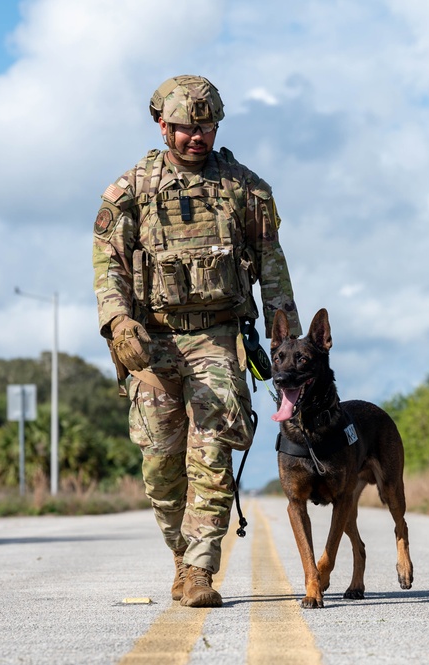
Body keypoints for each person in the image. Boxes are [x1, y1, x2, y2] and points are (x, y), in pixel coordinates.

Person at [92, 75, 301, 608]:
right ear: (163, 125)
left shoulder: (245, 189)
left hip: (216, 336)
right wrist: (117, 325)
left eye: (205, 127)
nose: (195, 137)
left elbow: (273, 267)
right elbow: (109, 265)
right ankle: (182, 558)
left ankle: (201, 569)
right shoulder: (131, 191)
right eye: (184, 127)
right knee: (161, 464)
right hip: (152, 340)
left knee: (211, 452)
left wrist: (287, 342)